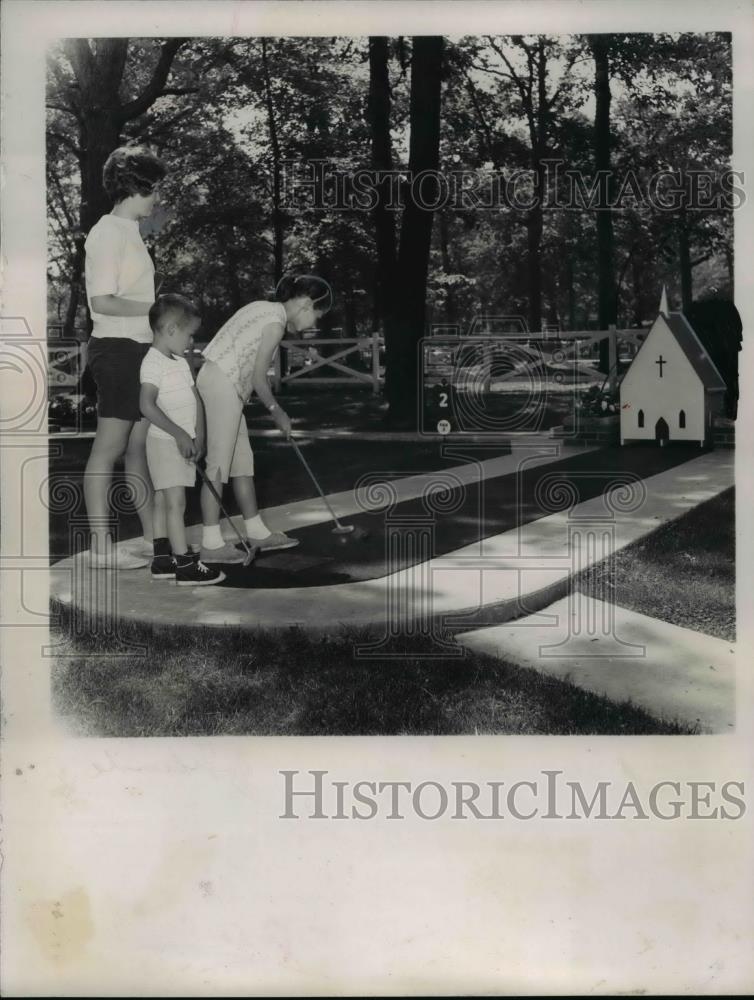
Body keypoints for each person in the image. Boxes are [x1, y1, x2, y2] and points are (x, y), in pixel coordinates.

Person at [196, 274, 332, 564]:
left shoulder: (264, 308)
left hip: (221, 381)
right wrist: (277, 412)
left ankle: (256, 531)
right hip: (223, 383)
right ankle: (210, 543)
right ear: (306, 305)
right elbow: (259, 379)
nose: (314, 325)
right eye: (317, 317)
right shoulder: (275, 324)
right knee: (218, 465)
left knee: (241, 461)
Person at [83, 145, 166, 569]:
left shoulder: (131, 232)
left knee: (137, 449)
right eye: (156, 190)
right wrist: (155, 311)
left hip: (136, 348)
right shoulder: (107, 233)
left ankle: (156, 540)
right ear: (139, 185)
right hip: (115, 350)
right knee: (108, 448)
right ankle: (100, 549)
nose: (159, 199)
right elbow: (103, 302)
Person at [139, 294, 225, 586]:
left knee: (165, 502)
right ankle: (185, 565)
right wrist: (178, 434)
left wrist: (198, 435)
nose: (190, 342)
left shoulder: (179, 361)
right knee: (175, 504)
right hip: (164, 443)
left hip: (183, 442)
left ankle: (163, 560)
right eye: (189, 335)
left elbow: (195, 399)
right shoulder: (152, 364)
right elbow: (146, 405)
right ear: (172, 329)